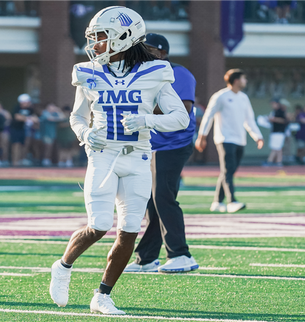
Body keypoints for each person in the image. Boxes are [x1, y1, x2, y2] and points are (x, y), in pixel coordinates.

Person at [49, 6, 190, 315]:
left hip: (138, 158)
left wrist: (148, 121)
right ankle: (63, 266)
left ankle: (102, 295)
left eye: (101, 38)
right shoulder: (87, 71)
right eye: (93, 39)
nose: (95, 45)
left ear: (125, 38)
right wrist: (86, 133)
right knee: (98, 226)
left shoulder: (155, 72)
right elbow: (76, 117)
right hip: (102, 156)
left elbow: (180, 118)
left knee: (128, 230)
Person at [124, 32, 198, 274]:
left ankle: (181, 254)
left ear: (161, 52)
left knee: (163, 197)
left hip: (174, 143)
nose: (141, 53)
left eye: (147, 49)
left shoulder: (178, 73)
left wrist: (142, 110)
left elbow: (183, 110)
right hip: (153, 144)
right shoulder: (142, 74)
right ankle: (146, 258)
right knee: (151, 201)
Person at [196, 69, 264, 213]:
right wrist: (202, 136)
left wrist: (257, 136)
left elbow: (249, 120)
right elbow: (208, 116)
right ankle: (231, 201)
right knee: (228, 169)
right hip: (224, 139)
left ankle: (217, 202)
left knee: (229, 171)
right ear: (236, 80)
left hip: (240, 139)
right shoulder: (220, 96)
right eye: (243, 78)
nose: (245, 81)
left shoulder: (244, 98)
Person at [9, 93, 37, 166]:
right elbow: (16, 116)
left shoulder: (30, 109)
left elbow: (35, 118)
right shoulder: (17, 108)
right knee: (16, 145)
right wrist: (27, 119)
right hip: (15, 128)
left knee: (23, 145)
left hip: (24, 129)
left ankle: (21, 160)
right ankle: (15, 161)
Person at [264, 98, 287, 167]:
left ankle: (271, 161)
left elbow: (284, 120)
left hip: (279, 132)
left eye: (273, 104)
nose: (272, 105)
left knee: (276, 148)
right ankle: (278, 162)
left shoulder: (281, 111)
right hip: (274, 131)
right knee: (276, 148)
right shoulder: (274, 111)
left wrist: (273, 119)